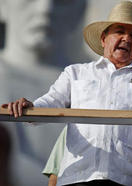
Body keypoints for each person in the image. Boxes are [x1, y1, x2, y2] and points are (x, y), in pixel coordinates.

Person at [3, 1, 132, 185]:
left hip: (124, 179)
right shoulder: (76, 72)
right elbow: (52, 101)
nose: (126, 39)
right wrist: (31, 107)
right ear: (104, 39)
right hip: (77, 177)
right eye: (119, 32)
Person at [0, 0, 88, 185]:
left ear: (80, 9)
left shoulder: (100, 83)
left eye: (62, 1)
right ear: (4, 4)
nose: (45, 9)